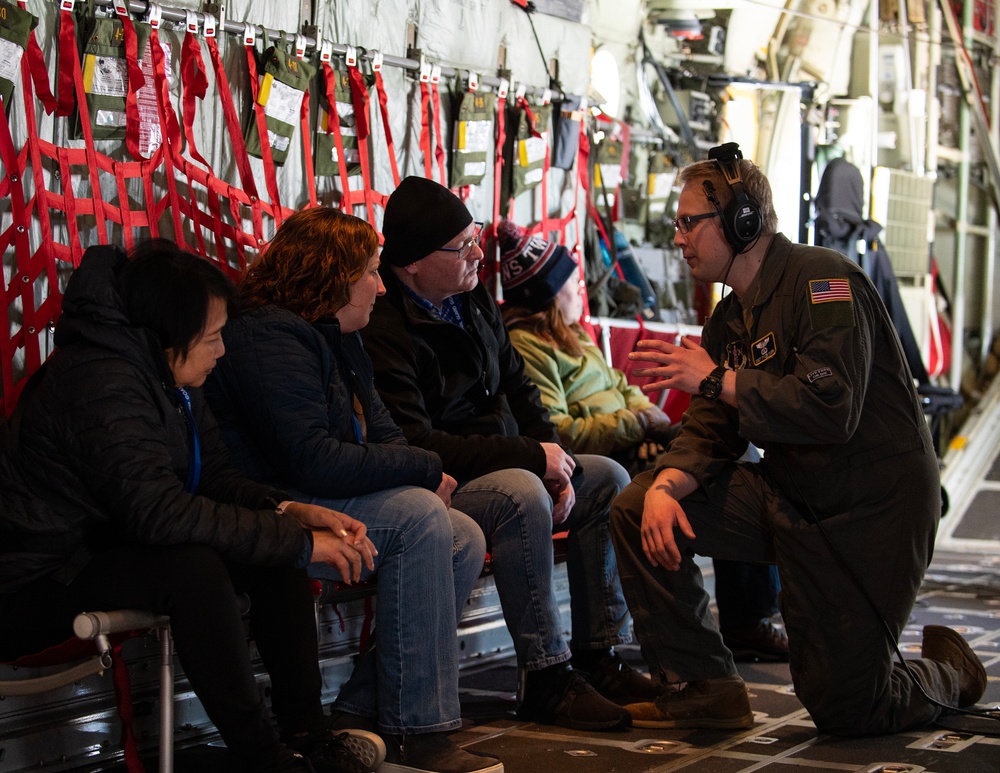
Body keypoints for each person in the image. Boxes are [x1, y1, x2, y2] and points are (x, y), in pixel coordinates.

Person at [609, 144, 987, 735]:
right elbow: (713, 428)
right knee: (639, 506)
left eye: (689, 222)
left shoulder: (824, 281)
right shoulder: (729, 321)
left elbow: (828, 406)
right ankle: (704, 688)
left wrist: (715, 376)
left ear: (743, 221)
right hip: (798, 498)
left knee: (849, 708)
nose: (678, 238)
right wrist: (667, 485)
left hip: (875, 509)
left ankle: (948, 673)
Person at [0, 241, 386, 773]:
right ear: (167, 338)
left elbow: (217, 478)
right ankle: (264, 759)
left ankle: (307, 736)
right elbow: (158, 513)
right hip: (34, 582)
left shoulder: (167, 372)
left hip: (101, 552)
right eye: (212, 338)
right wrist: (295, 539)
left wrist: (289, 511)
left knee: (271, 556)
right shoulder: (100, 382)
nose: (222, 351)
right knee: (195, 571)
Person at [203, 208, 501, 773]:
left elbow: (386, 433)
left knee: (459, 532)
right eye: (370, 271)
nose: (381, 285)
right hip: (275, 502)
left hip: (317, 489)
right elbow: (311, 460)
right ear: (333, 276)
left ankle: (362, 708)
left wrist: (416, 467)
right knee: (418, 516)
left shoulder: (338, 335)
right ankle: (418, 731)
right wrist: (424, 467)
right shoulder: (270, 335)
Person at [361, 176, 659, 732]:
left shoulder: (471, 298)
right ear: (412, 265)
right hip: (446, 481)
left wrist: (559, 461)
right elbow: (419, 443)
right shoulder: (386, 328)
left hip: (510, 458)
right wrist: (531, 459)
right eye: (462, 246)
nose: (478, 252)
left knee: (609, 477)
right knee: (523, 493)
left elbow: (520, 391)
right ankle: (547, 675)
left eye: (475, 236)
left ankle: (598, 654)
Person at [496, 218, 788, 663]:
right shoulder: (528, 346)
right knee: (693, 477)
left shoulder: (578, 339)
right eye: (573, 282)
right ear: (551, 295)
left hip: (639, 439)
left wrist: (647, 420)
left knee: (736, 451)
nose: (582, 289)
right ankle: (683, 637)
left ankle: (750, 617)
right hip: (606, 456)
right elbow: (560, 430)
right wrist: (637, 423)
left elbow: (625, 389)